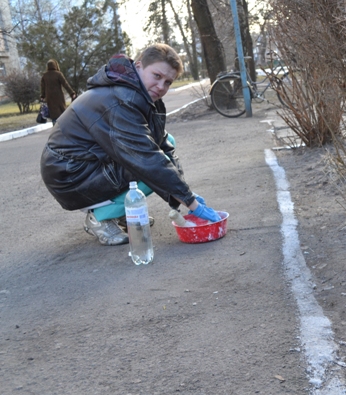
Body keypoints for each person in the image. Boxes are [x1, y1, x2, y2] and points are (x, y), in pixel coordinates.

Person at [40, 43, 221, 246]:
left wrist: (184, 193)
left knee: (165, 145)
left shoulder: (142, 96)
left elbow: (162, 145)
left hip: (88, 165)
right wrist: (191, 203)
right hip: (70, 175)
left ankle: (121, 212)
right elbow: (147, 158)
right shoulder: (120, 101)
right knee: (144, 165)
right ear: (138, 66)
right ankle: (99, 218)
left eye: (168, 82)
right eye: (157, 76)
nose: (161, 86)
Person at [40, 59, 76, 125]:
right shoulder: (58, 74)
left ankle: (55, 126)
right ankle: (63, 126)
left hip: (49, 97)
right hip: (59, 97)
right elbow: (65, 84)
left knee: (53, 113)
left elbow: (43, 87)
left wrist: (42, 96)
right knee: (62, 112)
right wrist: (72, 93)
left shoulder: (45, 76)